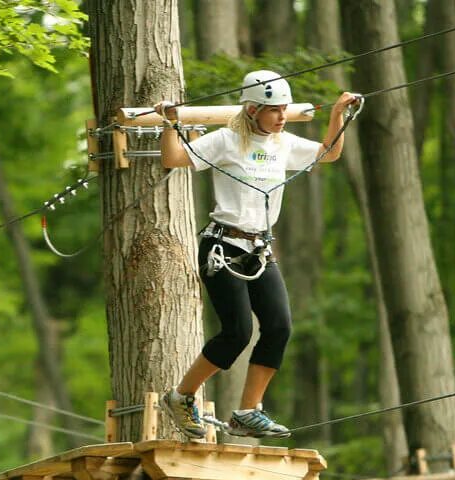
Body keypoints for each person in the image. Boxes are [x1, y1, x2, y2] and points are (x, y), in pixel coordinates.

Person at [155, 71, 361, 438]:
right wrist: (172, 123)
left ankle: (247, 411)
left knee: (279, 327)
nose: (281, 116)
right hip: (223, 246)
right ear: (252, 110)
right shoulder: (226, 141)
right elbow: (173, 158)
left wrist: (338, 115)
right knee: (237, 332)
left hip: (259, 248)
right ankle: (181, 397)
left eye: (283, 109)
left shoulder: (284, 143)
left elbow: (328, 154)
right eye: (273, 110)